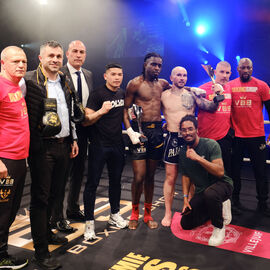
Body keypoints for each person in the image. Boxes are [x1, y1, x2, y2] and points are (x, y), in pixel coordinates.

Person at [24, 40, 78, 270]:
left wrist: (73, 138)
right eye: (51, 56)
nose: (55, 59)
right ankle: (41, 252)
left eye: (58, 56)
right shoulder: (28, 81)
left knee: (56, 195)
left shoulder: (64, 80)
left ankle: (46, 233)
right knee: (40, 198)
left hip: (64, 145)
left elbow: (69, 111)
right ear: (40, 58)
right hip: (42, 148)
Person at [161, 66, 222, 226]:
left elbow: (211, 107)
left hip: (190, 138)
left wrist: (218, 94)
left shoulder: (192, 94)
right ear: (171, 77)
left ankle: (188, 207)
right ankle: (167, 213)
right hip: (173, 137)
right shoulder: (163, 95)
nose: (182, 78)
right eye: (178, 75)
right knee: (170, 177)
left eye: (185, 75)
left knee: (193, 177)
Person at [50, 40, 93, 232]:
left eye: (82, 52)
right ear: (67, 54)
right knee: (61, 175)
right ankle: (57, 217)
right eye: (74, 51)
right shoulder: (59, 73)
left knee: (78, 172)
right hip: (63, 133)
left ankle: (73, 208)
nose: (78, 55)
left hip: (83, 130)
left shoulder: (88, 75)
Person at [123, 52, 170, 230]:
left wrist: (194, 90)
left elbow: (175, 95)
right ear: (145, 64)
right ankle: (134, 213)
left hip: (157, 131)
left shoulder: (163, 84)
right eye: (153, 64)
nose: (156, 68)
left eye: (159, 65)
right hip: (139, 131)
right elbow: (125, 108)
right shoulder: (135, 83)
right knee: (139, 176)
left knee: (150, 176)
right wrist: (130, 131)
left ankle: (148, 214)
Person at [83, 63, 127, 241]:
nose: (117, 77)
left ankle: (114, 215)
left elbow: (123, 115)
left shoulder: (122, 93)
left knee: (115, 182)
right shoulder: (97, 94)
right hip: (99, 145)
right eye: (113, 74)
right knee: (92, 184)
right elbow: (86, 121)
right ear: (105, 76)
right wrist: (101, 111)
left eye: (120, 74)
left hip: (117, 145)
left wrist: (130, 131)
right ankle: (89, 224)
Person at [179, 115, 233, 247]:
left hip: (222, 185)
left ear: (197, 130)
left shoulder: (210, 144)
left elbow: (220, 172)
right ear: (181, 132)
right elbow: (186, 176)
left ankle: (219, 227)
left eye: (190, 129)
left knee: (211, 194)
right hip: (202, 191)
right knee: (186, 224)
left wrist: (198, 158)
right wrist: (186, 198)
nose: (187, 133)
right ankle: (214, 208)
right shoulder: (182, 152)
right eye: (184, 130)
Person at [227, 58, 270, 216]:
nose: (246, 70)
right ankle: (235, 200)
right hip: (236, 136)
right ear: (237, 69)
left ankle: (263, 203)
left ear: (252, 69)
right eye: (243, 68)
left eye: (248, 68)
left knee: (260, 171)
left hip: (257, 135)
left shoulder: (262, 86)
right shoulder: (230, 86)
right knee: (235, 171)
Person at [0, 46, 29, 269]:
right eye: (15, 61)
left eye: (24, 61)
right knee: (2, 210)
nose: (21, 65)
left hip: (18, 159)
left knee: (11, 209)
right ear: (3, 63)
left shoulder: (16, 85)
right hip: (5, 161)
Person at [198, 61, 233, 177]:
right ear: (215, 72)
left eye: (227, 72)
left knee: (224, 173)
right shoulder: (202, 89)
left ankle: (225, 196)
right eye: (222, 72)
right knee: (204, 174)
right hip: (206, 139)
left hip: (224, 138)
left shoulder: (231, 90)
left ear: (230, 74)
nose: (224, 75)